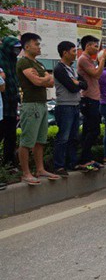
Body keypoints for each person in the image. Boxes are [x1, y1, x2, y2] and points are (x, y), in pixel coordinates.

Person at [16, 33, 59, 185]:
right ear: (27, 46)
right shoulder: (24, 62)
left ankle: (40, 170)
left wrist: (44, 79)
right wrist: (43, 79)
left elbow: (50, 82)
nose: (39, 47)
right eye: (36, 44)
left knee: (40, 140)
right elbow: (36, 81)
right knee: (27, 141)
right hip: (31, 104)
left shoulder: (38, 64)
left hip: (42, 103)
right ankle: (26, 173)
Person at [53, 41, 87, 177]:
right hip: (64, 106)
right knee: (63, 137)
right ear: (65, 52)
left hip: (75, 105)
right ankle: (59, 166)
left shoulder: (72, 69)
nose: (75, 54)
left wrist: (77, 82)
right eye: (73, 51)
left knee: (73, 137)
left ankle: (72, 163)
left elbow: (85, 85)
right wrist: (77, 84)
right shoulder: (59, 69)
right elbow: (72, 87)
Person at [76, 35, 106, 171]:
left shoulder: (89, 59)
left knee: (89, 130)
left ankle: (87, 158)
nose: (97, 48)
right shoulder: (83, 59)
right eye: (95, 46)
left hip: (93, 98)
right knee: (93, 130)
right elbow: (96, 74)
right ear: (88, 46)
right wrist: (102, 60)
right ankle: (84, 159)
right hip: (89, 98)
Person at [0, 37, 21, 168]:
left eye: (19, 49)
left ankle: (8, 165)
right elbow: (2, 82)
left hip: (12, 104)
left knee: (11, 137)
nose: (17, 51)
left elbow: (13, 80)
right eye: (14, 48)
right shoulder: (1, 59)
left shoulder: (13, 61)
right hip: (2, 105)